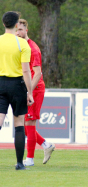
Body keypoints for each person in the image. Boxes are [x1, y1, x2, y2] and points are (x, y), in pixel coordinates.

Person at [16, 19, 55, 167]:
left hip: (35, 89)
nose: (18, 33)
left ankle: (30, 159)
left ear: (26, 30)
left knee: (29, 123)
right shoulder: (21, 47)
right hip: (27, 89)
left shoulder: (33, 49)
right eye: (16, 30)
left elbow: (38, 73)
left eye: (20, 30)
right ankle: (45, 145)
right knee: (26, 126)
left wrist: (29, 92)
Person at [0, 11, 34, 170]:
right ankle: (20, 163)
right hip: (17, 85)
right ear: (15, 25)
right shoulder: (23, 44)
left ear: (3, 24)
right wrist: (30, 92)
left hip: (0, 83)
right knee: (19, 124)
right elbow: (26, 71)